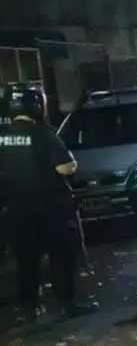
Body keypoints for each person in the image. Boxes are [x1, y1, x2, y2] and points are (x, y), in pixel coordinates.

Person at [0, 84, 98, 321]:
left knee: (26, 260)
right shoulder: (42, 133)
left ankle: (30, 307)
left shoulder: (3, 135)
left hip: (15, 209)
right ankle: (67, 303)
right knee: (60, 256)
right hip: (51, 207)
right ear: (37, 104)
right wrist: (72, 164)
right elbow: (64, 167)